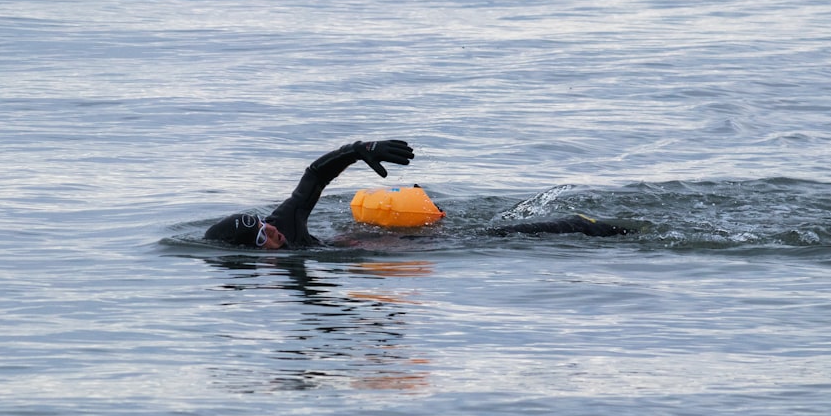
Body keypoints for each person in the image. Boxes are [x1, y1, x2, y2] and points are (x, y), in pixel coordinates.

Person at [204, 139, 636, 249]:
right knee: (496, 236)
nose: (273, 233)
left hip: (393, 241)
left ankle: (583, 226)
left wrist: (359, 150)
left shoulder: (285, 225)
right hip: (390, 247)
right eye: (262, 238)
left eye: (265, 225)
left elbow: (314, 177)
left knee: (499, 238)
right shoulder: (283, 277)